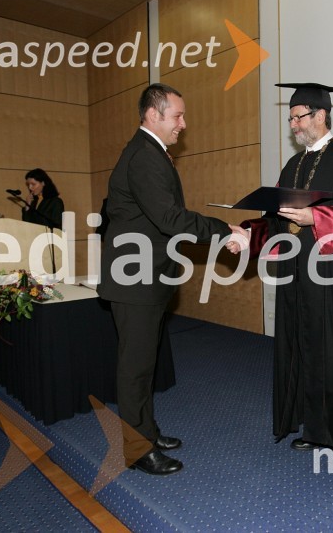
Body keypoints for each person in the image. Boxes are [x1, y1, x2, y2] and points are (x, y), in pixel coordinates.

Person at [229, 83, 333, 482]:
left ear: (321, 114)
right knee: (308, 351)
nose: (293, 125)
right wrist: (246, 236)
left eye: (298, 116)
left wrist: (316, 219)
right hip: (300, 278)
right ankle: (318, 430)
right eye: (290, 118)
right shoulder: (293, 166)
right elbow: (275, 219)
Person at [98, 83, 238, 477]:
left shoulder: (151, 153)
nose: (183, 124)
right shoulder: (144, 156)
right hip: (135, 279)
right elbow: (170, 218)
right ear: (153, 115)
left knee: (143, 362)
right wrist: (223, 230)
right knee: (136, 367)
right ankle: (137, 450)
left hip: (146, 275)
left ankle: (146, 432)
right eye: (177, 116)